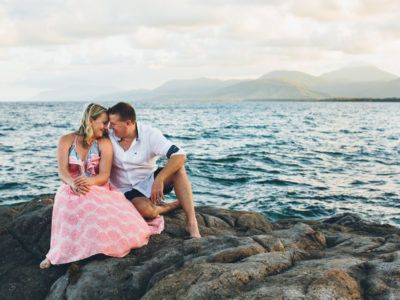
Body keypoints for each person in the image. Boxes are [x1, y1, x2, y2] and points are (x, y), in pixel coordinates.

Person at [40, 103, 163, 269]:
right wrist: (72, 183)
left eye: (108, 124)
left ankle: (93, 248)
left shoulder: (104, 143)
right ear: (91, 120)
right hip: (71, 185)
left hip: (97, 185)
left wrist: (88, 182)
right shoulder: (66, 140)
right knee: (66, 204)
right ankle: (56, 253)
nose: (107, 128)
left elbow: (104, 175)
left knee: (93, 210)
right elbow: (62, 172)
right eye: (104, 123)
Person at [107, 102, 201, 238]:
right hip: (122, 190)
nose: (110, 127)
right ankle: (172, 206)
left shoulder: (150, 134)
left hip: (148, 182)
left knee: (179, 169)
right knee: (145, 210)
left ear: (128, 123)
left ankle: (192, 223)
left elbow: (179, 155)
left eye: (113, 124)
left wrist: (159, 179)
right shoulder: (108, 135)